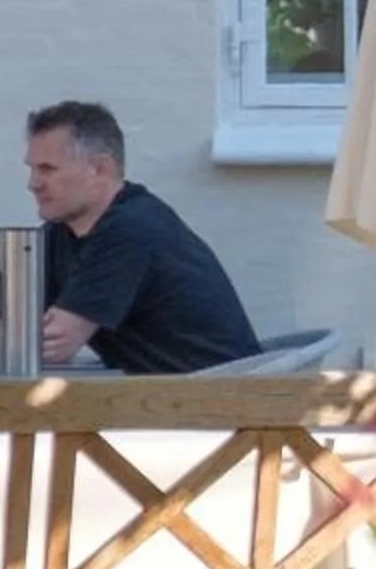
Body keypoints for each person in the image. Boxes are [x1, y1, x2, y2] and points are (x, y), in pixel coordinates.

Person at [27, 100, 261, 375]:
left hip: (215, 403)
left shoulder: (131, 228)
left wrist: (19, 331)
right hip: (157, 402)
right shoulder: (61, 232)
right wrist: (16, 332)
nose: (33, 183)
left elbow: (52, 346)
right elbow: (4, 333)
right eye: (31, 169)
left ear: (100, 170)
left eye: (47, 169)